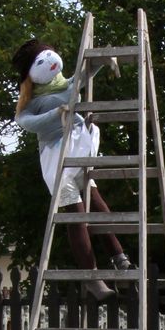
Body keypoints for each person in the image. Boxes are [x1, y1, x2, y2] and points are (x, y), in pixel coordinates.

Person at [11, 38, 133, 301]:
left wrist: (103, 60)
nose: (49, 63)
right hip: (57, 155)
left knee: (97, 203)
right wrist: (56, 115)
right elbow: (25, 122)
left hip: (79, 146)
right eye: (40, 61)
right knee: (76, 212)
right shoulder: (34, 101)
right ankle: (93, 279)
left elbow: (84, 74)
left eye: (48, 56)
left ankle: (120, 257)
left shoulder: (66, 84)